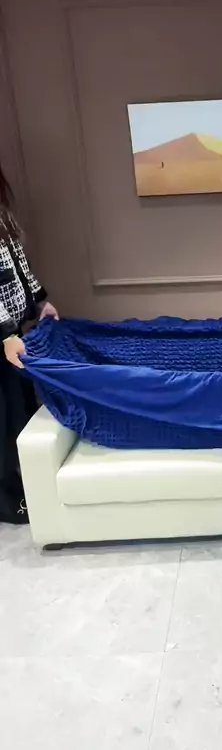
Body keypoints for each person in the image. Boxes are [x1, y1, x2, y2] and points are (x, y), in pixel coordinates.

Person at [0, 163, 58, 524]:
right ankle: (7, 500)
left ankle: (23, 487)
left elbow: (19, 264)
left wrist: (39, 301)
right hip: (4, 336)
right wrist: (5, 334)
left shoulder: (3, 214)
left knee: (21, 410)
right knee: (4, 418)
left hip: (12, 335)